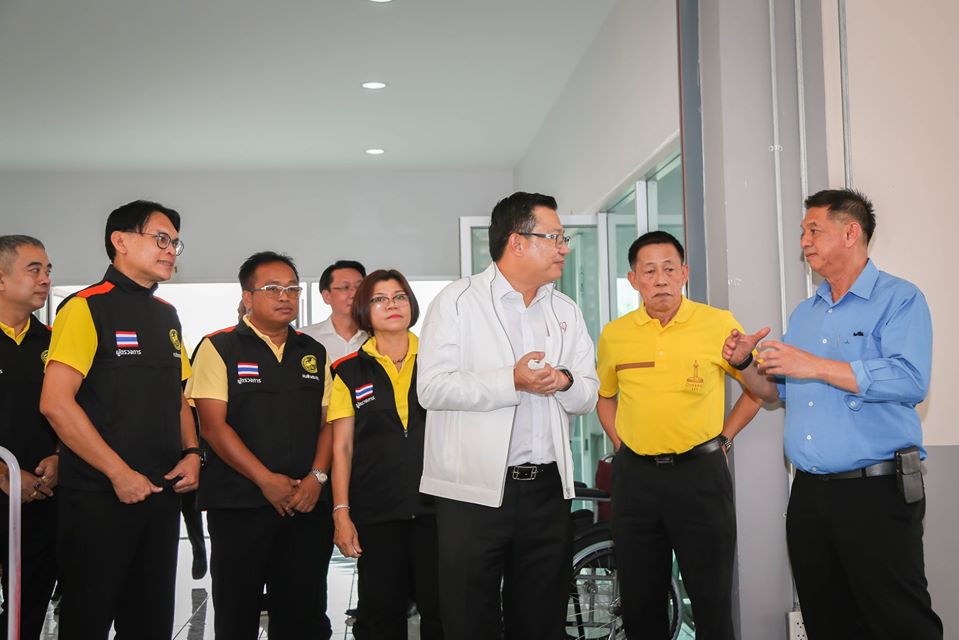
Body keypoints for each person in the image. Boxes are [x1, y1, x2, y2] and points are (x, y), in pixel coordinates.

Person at [723, 188, 942, 640]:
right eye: (802, 231)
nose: (804, 240)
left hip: (876, 491)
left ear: (850, 232)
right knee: (827, 622)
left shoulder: (900, 299)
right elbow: (774, 393)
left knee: (900, 623)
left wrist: (814, 365)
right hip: (809, 494)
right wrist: (744, 364)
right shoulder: (806, 313)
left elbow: (910, 380)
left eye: (814, 230)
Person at [417, 191, 599, 639]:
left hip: (547, 490)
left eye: (564, 238)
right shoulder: (457, 301)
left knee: (541, 620)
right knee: (469, 618)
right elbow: (432, 388)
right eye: (554, 237)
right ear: (517, 242)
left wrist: (564, 382)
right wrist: (511, 381)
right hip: (472, 493)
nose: (564, 248)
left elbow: (588, 394)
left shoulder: (565, 309)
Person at [39, 200, 201, 639]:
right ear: (121, 241)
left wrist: (192, 452)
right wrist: (118, 472)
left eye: (175, 243)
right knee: (87, 620)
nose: (170, 250)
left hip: (160, 494)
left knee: (150, 622)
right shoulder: (85, 307)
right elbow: (55, 403)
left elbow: (177, 397)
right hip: (99, 497)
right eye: (160, 239)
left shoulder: (166, 314)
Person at [595, 230, 763, 639]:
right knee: (640, 605)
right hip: (636, 481)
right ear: (633, 280)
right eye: (649, 271)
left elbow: (759, 392)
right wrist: (622, 446)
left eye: (670, 269)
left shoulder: (718, 324)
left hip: (700, 477)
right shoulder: (615, 334)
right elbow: (605, 397)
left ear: (684, 273)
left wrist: (724, 440)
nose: (661, 280)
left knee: (711, 602)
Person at [186, 251, 334, 639]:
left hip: (304, 505)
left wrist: (317, 478)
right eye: (272, 288)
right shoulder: (218, 347)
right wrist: (265, 480)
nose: (285, 296)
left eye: (292, 288)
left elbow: (329, 423)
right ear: (247, 297)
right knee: (237, 614)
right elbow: (213, 427)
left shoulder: (313, 352)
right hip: (239, 506)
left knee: (302, 615)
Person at [330, 269, 443, 640]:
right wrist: (341, 513)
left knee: (443, 613)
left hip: (438, 510)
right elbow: (342, 448)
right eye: (379, 299)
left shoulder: (440, 362)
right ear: (365, 309)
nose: (392, 305)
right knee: (381, 617)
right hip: (377, 513)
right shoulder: (347, 371)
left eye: (399, 296)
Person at [0, 235, 59, 639]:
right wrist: (5, 475)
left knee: (29, 604)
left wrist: (61, 458)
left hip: (43, 494)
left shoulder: (55, 342)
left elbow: (79, 412)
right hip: (7, 483)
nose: (45, 279)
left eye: (48, 270)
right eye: (34, 269)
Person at [301, 260, 368, 361]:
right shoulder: (304, 339)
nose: (354, 294)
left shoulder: (377, 338)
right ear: (326, 296)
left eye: (359, 287)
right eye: (345, 287)